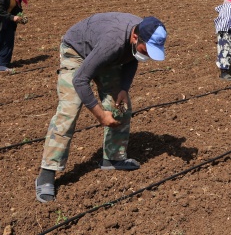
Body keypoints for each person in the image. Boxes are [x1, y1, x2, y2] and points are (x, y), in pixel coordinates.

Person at [35, 14, 167, 203]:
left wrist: (123, 88)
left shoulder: (142, 31)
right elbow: (80, 80)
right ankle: (47, 173)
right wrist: (100, 115)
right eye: (147, 50)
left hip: (103, 55)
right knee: (69, 110)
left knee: (121, 105)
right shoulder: (113, 42)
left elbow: (131, 58)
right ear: (135, 37)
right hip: (77, 51)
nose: (148, 55)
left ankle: (113, 158)